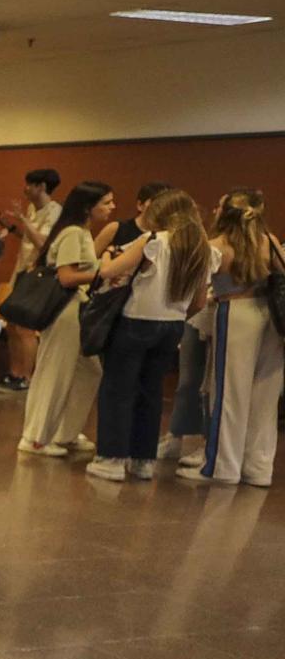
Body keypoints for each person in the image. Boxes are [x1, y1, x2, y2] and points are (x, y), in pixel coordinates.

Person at [89, 189, 215, 482]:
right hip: (172, 326)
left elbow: (109, 271)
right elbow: (198, 301)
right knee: (152, 392)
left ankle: (111, 458)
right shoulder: (204, 248)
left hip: (136, 321)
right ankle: (142, 460)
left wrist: (108, 253)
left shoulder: (154, 241)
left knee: (118, 390)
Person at [184, 189, 283, 488]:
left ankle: (223, 466)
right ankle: (258, 467)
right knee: (265, 395)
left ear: (224, 214)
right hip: (273, 318)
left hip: (234, 312)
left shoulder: (214, 246)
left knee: (229, 393)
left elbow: (199, 298)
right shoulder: (270, 242)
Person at [18, 181, 114, 456]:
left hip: (78, 309)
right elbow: (67, 276)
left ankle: (65, 432)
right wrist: (104, 273)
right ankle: (35, 437)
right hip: (66, 309)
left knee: (90, 371)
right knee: (54, 372)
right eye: (106, 203)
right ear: (88, 206)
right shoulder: (73, 233)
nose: (111, 208)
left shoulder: (81, 233)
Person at [0, 167, 62, 389]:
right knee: (12, 325)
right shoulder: (34, 209)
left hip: (38, 275)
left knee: (25, 328)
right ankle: (14, 372)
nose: (25, 189)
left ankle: (27, 377)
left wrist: (23, 219)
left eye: (29, 184)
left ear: (41, 187)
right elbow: (29, 238)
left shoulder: (55, 212)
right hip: (22, 270)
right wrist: (13, 227)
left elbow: (44, 244)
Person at [98, 180, 171, 255]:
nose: (161, 209)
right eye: (156, 204)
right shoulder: (115, 228)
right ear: (140, 205)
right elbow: (90, 261)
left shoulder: (167, 235)